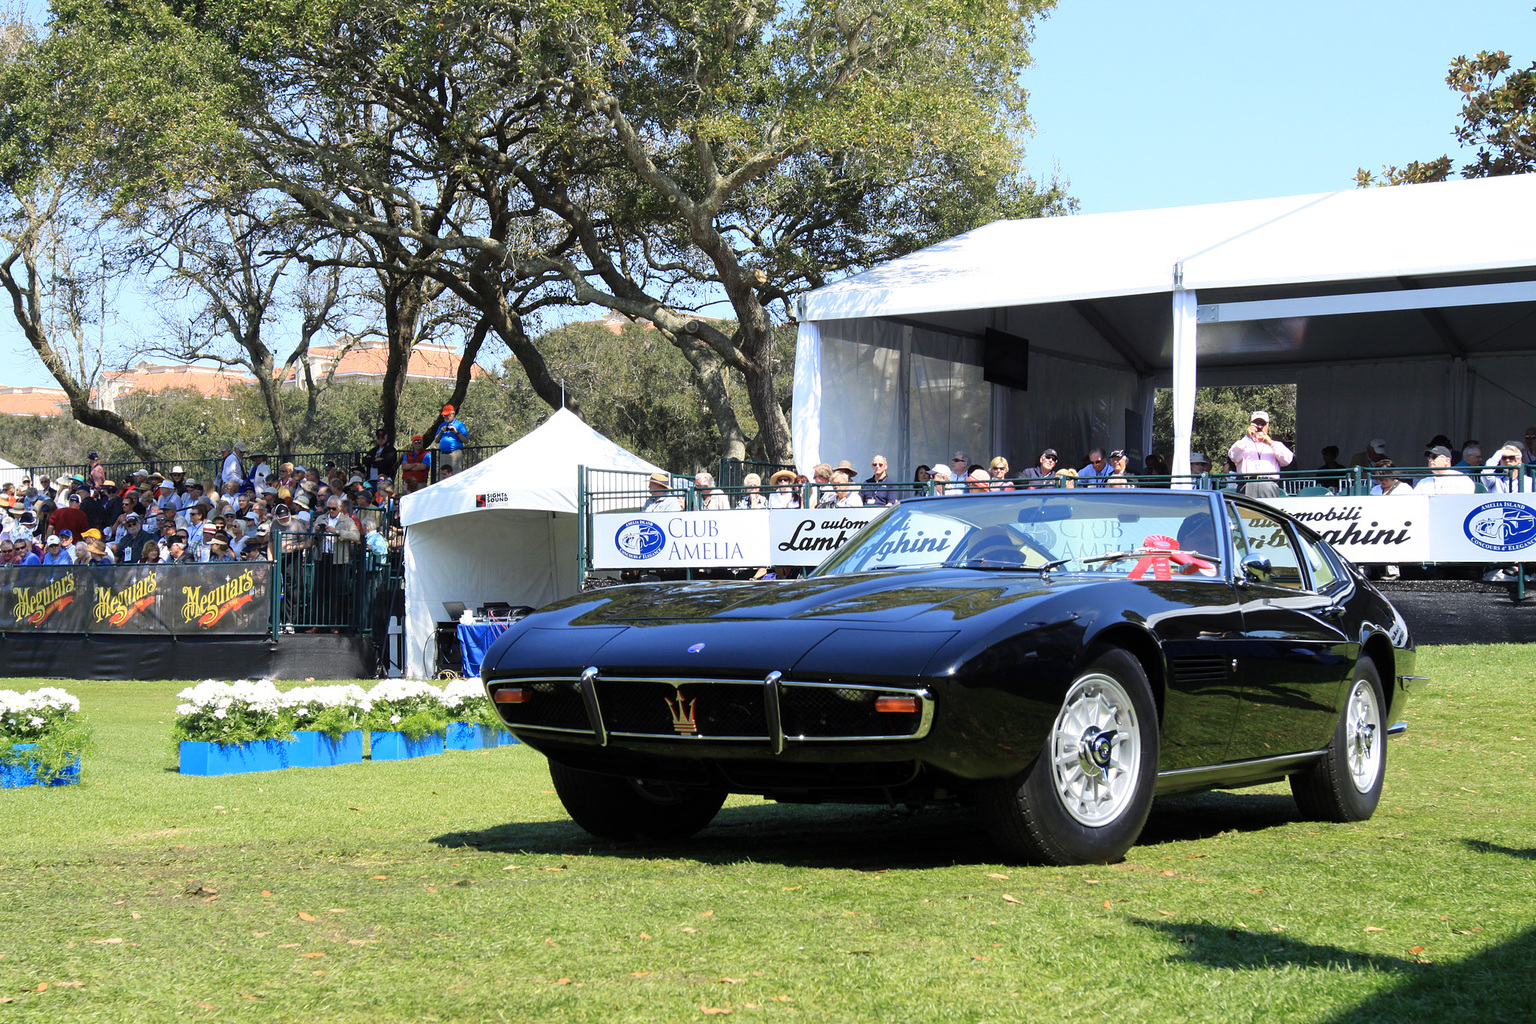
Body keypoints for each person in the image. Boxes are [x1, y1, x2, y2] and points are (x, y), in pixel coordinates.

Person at [1228, 410, 1294, 499]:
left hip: (1268, 485)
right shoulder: (1243, 443)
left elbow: (1287, 460)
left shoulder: (1275, 444)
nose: (1259, 426)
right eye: (1256, 423)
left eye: (1262, 423)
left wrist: (1271, 443)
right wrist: (1247, 437)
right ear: (1250, 425)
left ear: (1268, 425)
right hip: (1247, 484)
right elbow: (1233, 456)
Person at [427, 403, 469, 473]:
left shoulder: (460, 425)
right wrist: (441, 432)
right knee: (443, 476)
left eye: (447, 415)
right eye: (444, 415)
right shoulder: (442, 425)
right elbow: (436, 441)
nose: (446, 417)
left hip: (455, 454)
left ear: (453, 414)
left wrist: (457, 432)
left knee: (455, 475)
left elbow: (466, 440)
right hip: (443, 454)